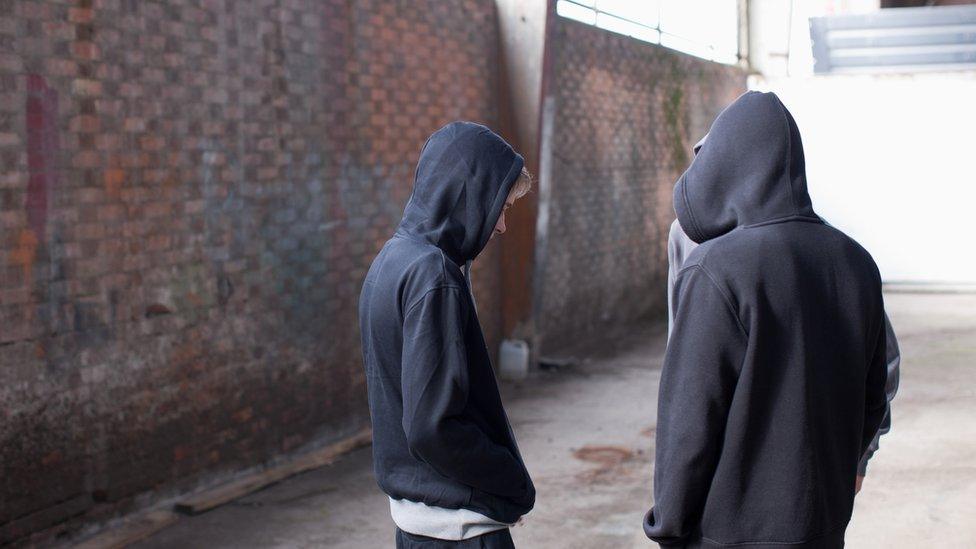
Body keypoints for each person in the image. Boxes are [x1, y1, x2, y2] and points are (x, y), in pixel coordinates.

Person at [645, 91, 889, 548]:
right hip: (822, 527)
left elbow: (691, 417)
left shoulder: (717, 268)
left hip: (729, 533)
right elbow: (874, 396)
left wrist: (669, 523)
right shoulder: (857, 262)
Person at [665, 143, 901, 493]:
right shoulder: (685, 235)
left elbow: (880, 362)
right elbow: (680, 349)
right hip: (716, 461)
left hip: (799, 464)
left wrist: (859, 456)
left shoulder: (818, 243)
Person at [359, 121, 534, 549]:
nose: (501, 226)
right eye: (501, 207)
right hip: (460, 531)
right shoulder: (432, 276)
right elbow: (431, 427)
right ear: (467, 195)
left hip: (418, 525)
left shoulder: (391, 260)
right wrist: (512, 481)